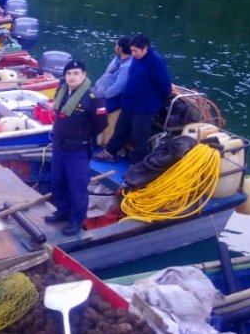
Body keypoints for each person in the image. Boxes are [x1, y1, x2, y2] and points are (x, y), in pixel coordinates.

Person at [41, 60, 109, 236]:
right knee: (58, 181)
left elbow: (101, 124)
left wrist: (82, 135)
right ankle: (62, 210)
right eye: (69, 73)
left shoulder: (93, 99)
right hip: (59, 146)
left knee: (77, 186)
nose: (72, 77)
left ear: (84, 75)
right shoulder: (61, 92)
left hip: (77, 149)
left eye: (76, 73)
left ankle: (76, 220)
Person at [97, 33, 172, 163]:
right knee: (120, 130)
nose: (133, 54)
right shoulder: (136, 58)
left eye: (135, 51)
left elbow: (165, 86)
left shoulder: (156, 62)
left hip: (144, 107)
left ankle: (136, 163)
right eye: (132, 50)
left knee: (139, 136)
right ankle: (109, 153)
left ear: (145, 48)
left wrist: (155, 100)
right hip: (129, 103)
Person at [92, 36, 133, 156]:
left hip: (112, 99)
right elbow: (106, 74)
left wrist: (102, 95)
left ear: (120, 48)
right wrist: (97, 87)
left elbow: (118, 88)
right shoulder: (117, 59)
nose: (114, 48)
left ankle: (93, 142)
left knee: (94, 110)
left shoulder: (127, 67)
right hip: (99, 90)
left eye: (116, 45)